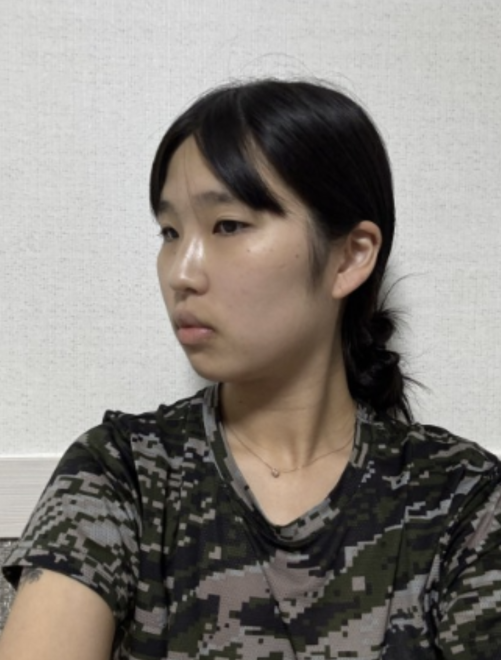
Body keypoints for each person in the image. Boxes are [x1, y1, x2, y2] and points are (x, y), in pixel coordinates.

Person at [1, 79, 500, 660]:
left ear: (350, 256)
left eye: (228, 226)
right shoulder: (123, 473)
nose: (180, 273)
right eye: (170, 233)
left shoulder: (461, 500)